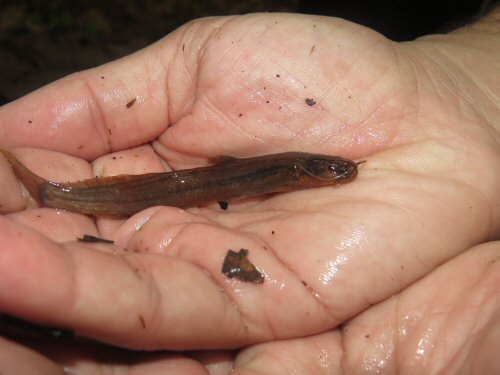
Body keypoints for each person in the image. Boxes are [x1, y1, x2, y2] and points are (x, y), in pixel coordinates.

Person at [0, 7, 499, 374]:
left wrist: (464, 86)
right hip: (187, 183)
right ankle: (55, 194)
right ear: (306, 171)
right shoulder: (292, 165)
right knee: (166, 188)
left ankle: (56, 193)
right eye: (329, 169)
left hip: (199, 183)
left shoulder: (302, 167)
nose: (337, 172)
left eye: (331, 170)